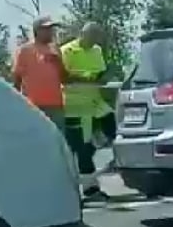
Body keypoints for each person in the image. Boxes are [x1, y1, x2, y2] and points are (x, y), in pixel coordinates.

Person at [60, 22, 111, 200]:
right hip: (75, 106)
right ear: (82, 34)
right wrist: (87, 78)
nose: (94, 41)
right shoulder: (67, 51)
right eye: (91, 37)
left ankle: (94, 148)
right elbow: (64, 76)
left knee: (112, 129)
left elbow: (101, 73)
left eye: (97, 38)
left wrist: (101, 79)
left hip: (95, 102)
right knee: (80, 147)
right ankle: (90, 189)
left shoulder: (96, 50)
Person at [12, 16, 67, 128]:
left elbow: (64, 78)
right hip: (33, 105)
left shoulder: (56, 49)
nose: (51, 32)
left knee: (57, 138)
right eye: (47, 29)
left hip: (56, 105)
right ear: (37, 31)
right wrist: (16, 103)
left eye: (51, 29)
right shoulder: (25, 50)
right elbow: (17, 78)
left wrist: (58, 62)